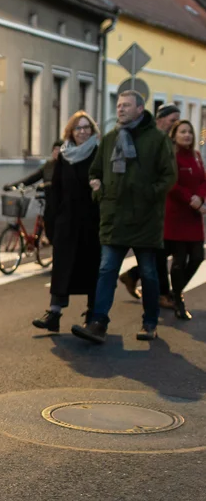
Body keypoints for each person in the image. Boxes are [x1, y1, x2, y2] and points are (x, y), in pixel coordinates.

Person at [71, 91, 177, 344]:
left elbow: (169, 176)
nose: (120, 109)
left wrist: (149, 195)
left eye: (126, 105)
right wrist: (99, 189)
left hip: (145, 219)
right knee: (107, 270)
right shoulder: (109, 139)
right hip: (114, 217)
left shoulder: (157, 139)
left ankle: (150, 322)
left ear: (140, 109)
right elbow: (95, 171)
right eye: (118, 105)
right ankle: (98, 323)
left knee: (149, 274)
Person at [32, 112, 102, 332]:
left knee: (91, 267)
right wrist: (51, 222)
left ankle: (92, 314)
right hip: (67, 220)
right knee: (61, 267)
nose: (82, 132)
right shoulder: (64, 156)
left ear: (92, 130)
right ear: (70, 132)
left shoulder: (98, 153)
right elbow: (57, 189)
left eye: (86, 128)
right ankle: (54, 314)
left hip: (92, 220)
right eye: (77, 128)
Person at [117, 103, 181, 304]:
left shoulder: (170, 141)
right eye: (173, 120)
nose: (175, 125)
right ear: (160, 119)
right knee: (158, 249)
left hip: (163, 201)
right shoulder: (150, 138)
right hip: (151, 203)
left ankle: (135, 276)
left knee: (162, 248)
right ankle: (160, 293)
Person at [165, 120, 206, 321]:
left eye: (190, 131)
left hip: (193, 217)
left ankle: (176, 290)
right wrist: (192, 199)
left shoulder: (197, 156)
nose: (187, 135)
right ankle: (178, 301)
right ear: (175, 135)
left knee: (198, 256)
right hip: (176, 216)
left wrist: (200, 196)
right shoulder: (172, 157)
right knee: (179, 260)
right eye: (182, 132)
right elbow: (172, 184)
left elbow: (203, 180)